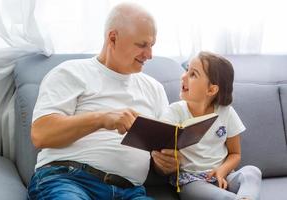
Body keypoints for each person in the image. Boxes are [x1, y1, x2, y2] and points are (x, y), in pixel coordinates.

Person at [27, 3, 177, 200]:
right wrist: (101, 118)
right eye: (142, 45)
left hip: (130, 191)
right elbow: (41, 134)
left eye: (152, 45)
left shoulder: (154, 89)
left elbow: (161, 151)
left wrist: (166, 163)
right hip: (70, 179)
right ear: (113, 38)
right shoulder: (70, 72)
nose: (149, 55)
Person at [161, 51, 262, 200]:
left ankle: (245, 197)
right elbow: (161, 148)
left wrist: (221, 171)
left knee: (252, 172)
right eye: (186, 70)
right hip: (192, 181)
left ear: (211, 90)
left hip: (224, 176)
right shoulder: (174, 112)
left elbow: (235, 154)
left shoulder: (225, 112)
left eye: (193, 74)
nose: (183, 76)